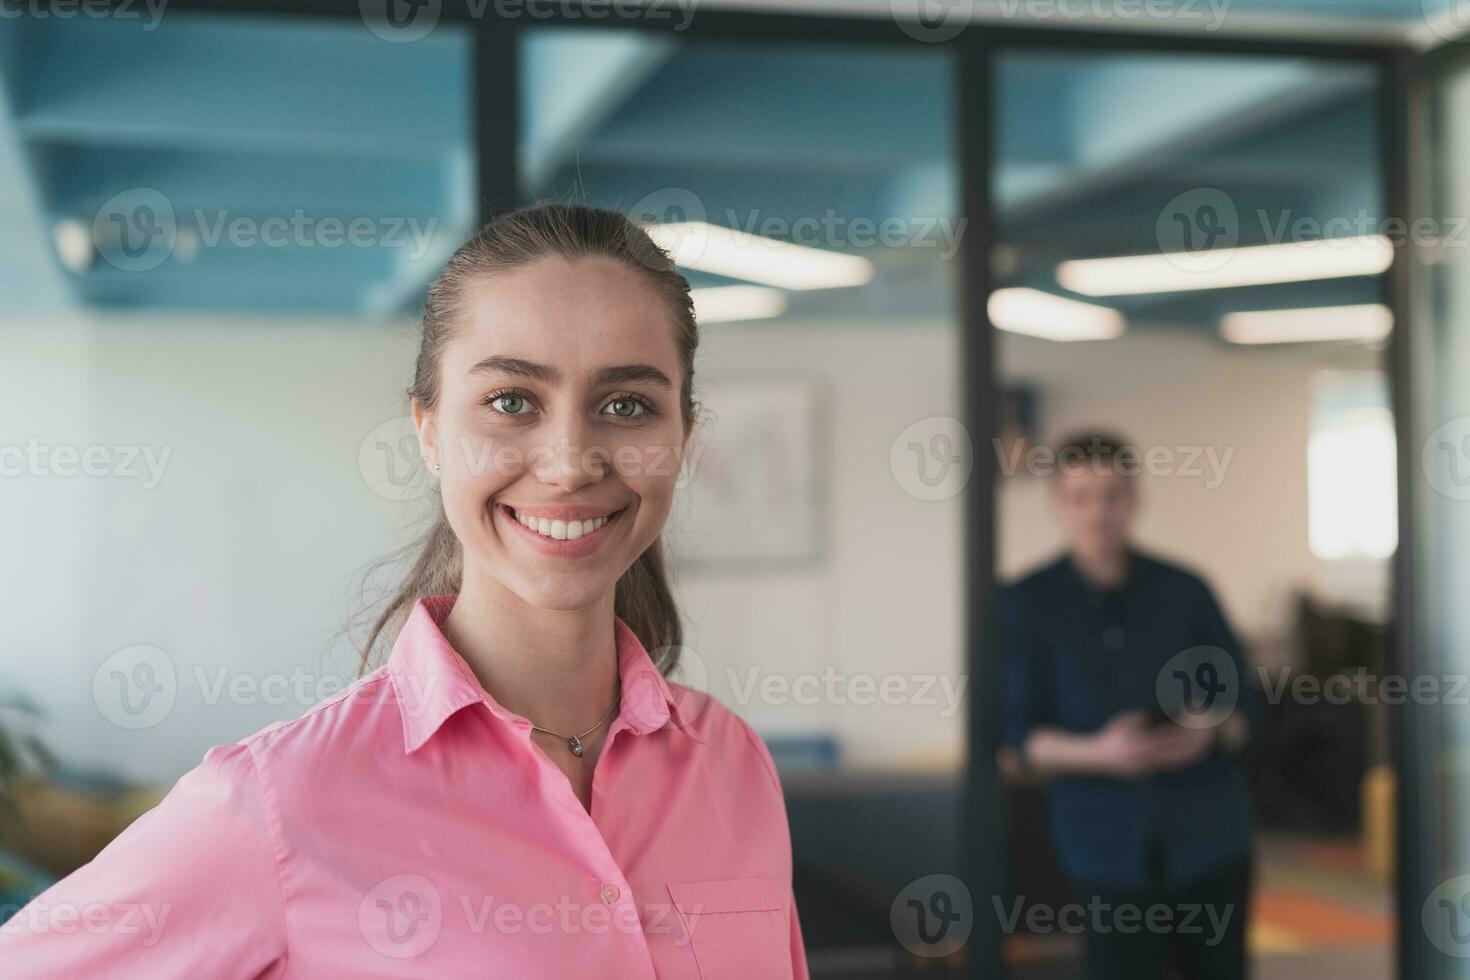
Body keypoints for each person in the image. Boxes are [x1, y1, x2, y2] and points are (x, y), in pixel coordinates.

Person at [0, 204, 809, 979]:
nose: (569, 461)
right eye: (511, 401)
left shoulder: (732, 765)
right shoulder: (279, 802)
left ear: (683, 436)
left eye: (627, 405)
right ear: (427, 431)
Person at [1000, 430, 1258, 980]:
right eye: (1080, 497)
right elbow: (1014, 736)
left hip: (1208, 833)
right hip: (1103, 843)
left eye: (1113, 495)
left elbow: (1242, 696)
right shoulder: (1025, 604)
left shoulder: (1185, 590)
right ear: (1057, 505)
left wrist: (1206, 730)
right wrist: (1100, 753)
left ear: (1135, 500)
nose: (1098, 512)